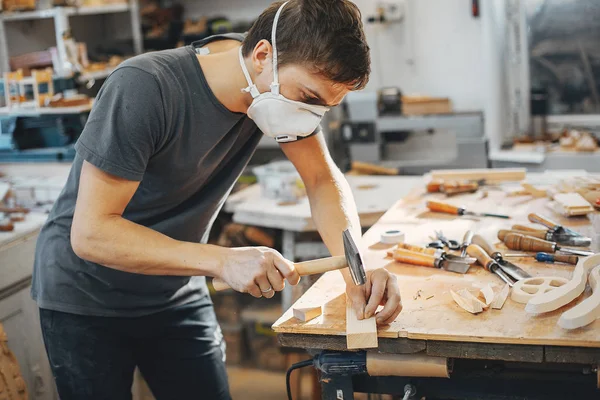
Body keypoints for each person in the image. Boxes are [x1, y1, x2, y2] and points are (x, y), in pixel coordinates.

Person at [31, 0, 402, 398]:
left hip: (174, 288)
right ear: (262, 55)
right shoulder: (145, 87)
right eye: (308, 98)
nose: (309, 116)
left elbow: (322, 180)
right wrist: (222, 260)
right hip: (86, 296)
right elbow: (91, 234)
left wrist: (357, 273)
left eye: (324, 108)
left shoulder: (272, 91)